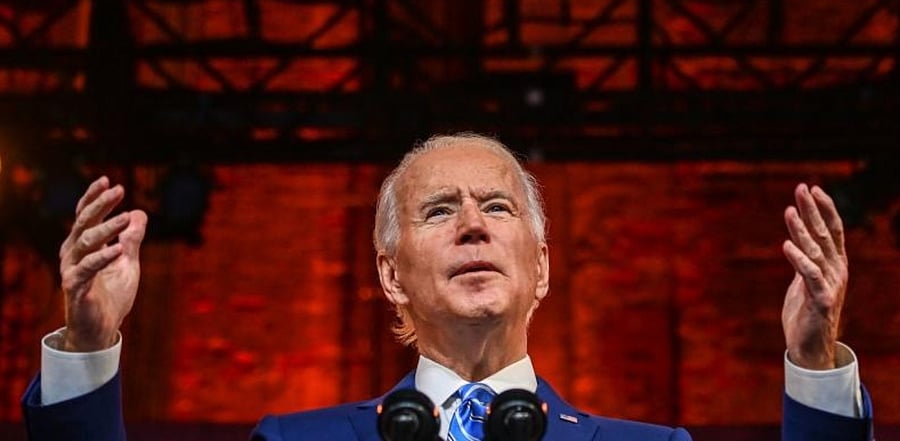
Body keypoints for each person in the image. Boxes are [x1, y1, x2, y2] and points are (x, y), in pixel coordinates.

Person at [21, 133, 872, 440]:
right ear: (390, 273)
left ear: (541, 266)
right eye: (439, 209)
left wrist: (812, 361)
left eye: (497, 206)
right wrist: (91, 348)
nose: (472, 223)